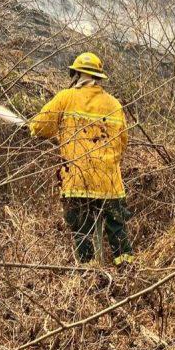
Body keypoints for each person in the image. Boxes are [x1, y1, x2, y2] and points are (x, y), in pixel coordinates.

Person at [30, 52, 134, 266]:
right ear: (98, 77)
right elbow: (122, 143)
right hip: (109, 183)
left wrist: (32, 128)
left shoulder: (66, 97)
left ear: (76, 74)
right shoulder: (114, 105)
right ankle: (128, 274)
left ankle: (89, 277)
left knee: (82, 232)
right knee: (117, 229)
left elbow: (41, 127)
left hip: (77, 181)